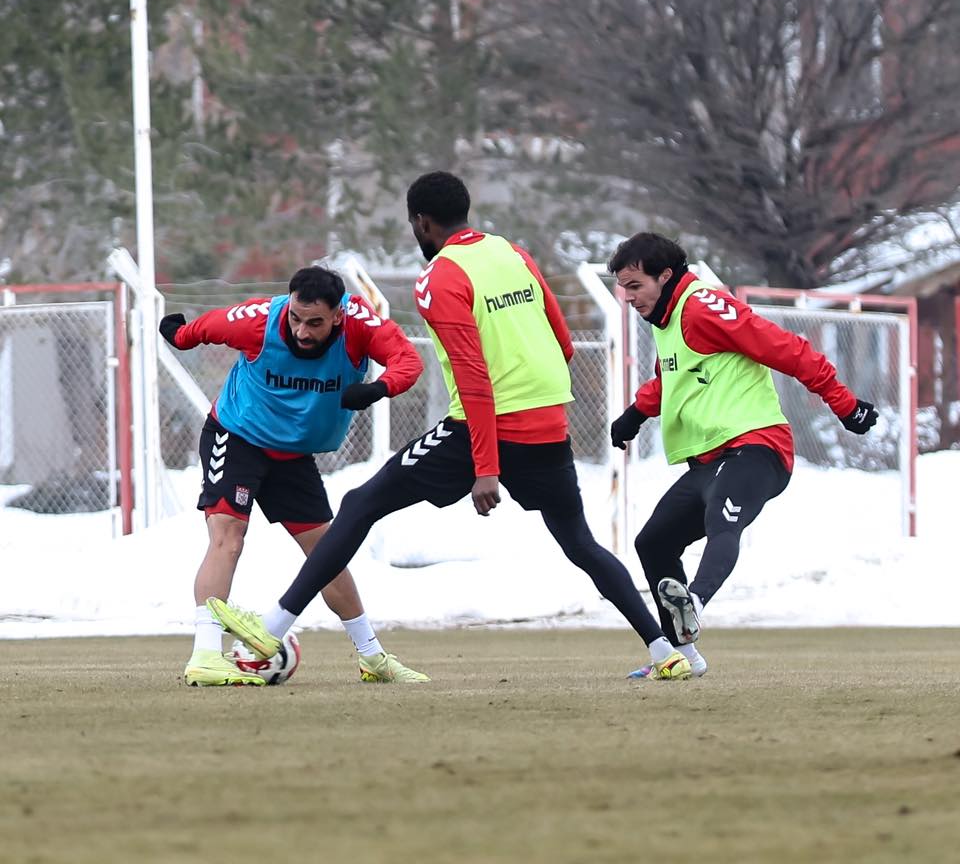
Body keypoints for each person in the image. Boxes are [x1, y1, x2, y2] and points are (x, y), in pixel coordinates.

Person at [206, 171, 693, 681]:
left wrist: (486, 468)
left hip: (480, 429)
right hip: (547, 425)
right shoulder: (512, 254)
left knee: (359, 504)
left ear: (421, 222)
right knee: (580, 544)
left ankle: (273, 627)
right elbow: (563, 341)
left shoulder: (439, 277)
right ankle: (666, 651)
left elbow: (474, 377)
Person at [607, 233, 879, 678]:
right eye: (624, 288)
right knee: (652, 542)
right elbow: (670, 379)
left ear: (666, 276)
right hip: (710, 460)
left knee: (721, 517)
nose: (628, 297)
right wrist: (635, 414)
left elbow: (787, 349)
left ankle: (692, 603)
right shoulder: (668, 319)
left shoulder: (702, 307)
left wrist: (843, 403)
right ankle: (684, 656)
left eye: (635, 286)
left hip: (758, 448)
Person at [160, 264, 431, 686]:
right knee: (227, 537)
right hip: (237, 437)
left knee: (327, 553)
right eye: (296, 319)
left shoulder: (360, 325)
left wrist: (380, 388)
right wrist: (179, 334)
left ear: (339, 315)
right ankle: (205, 657)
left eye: (316, 323)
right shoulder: (258, 321)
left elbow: (408, 360)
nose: (303, 331)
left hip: (293, 454)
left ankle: (372, 658)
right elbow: (205, 328)